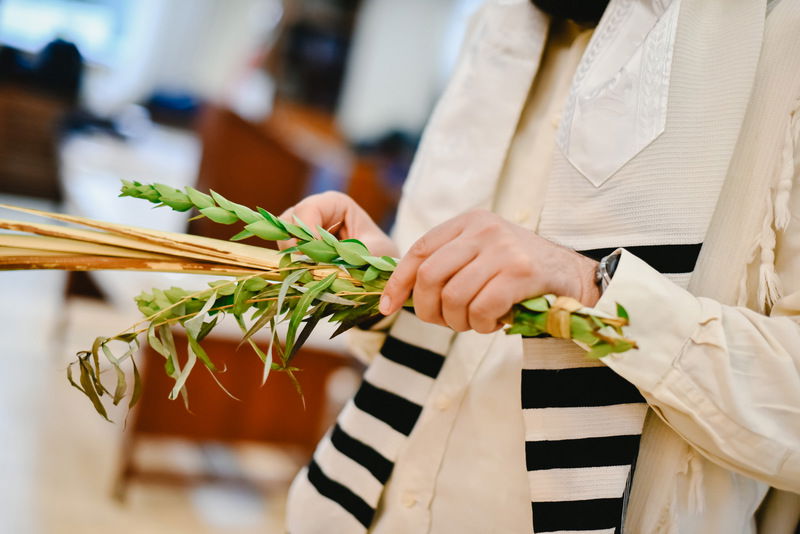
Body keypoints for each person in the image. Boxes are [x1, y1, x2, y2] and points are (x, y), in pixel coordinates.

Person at [282, 0, 800, 532]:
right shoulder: (499, 27)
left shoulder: (785, 41)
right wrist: (387, 280)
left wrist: (590, 288)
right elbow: (451, 342)